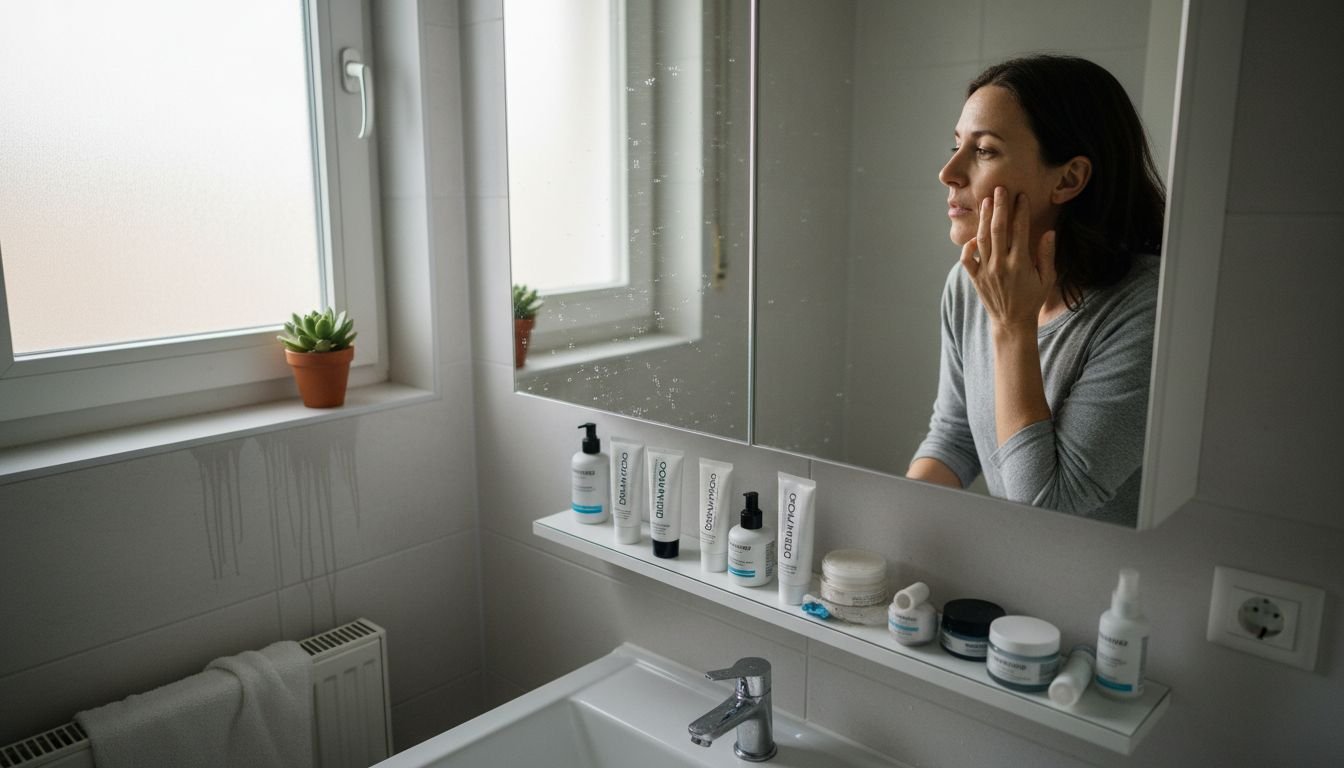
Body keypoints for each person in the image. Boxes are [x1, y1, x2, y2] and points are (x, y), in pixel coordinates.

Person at [906, 55, 1166, 525]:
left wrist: (1011, 325)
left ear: (1068, 179)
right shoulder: (968, 283)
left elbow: (1047, 510)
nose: (949, 172)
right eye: (956, 145)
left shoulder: (1146, 308)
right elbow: (956, 438)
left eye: (984, 151)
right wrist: (893, 519)